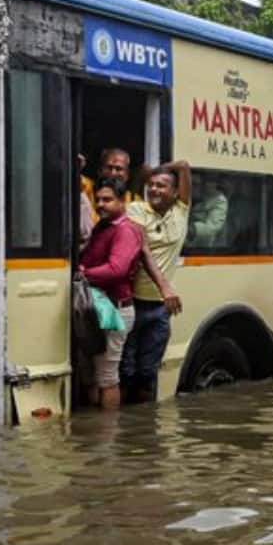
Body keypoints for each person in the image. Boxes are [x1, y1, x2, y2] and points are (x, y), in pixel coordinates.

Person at [121, 162, 192, 403]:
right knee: (125, 372)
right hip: (132, 303)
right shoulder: (137, 210)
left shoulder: (181, 211)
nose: (154, 189)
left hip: (160, 309)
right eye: (151, 185)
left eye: (161, 185)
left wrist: (160, 167)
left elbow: (184, 167)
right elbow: (142, 250)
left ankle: (144, 432)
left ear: (174, 193)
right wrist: (165, 286)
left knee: (148, 373)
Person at [79, 177, 143, 410]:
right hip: (97, 306)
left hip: (114, 309)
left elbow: (117, 269)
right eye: (98, 200)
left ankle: (108, 434)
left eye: (108, 200)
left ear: (122, 200)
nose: (101, 204)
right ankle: (97, 434)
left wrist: (83, 273)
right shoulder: (102, 227)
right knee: (93, 376)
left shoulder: (125, 230)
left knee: (107, 377)